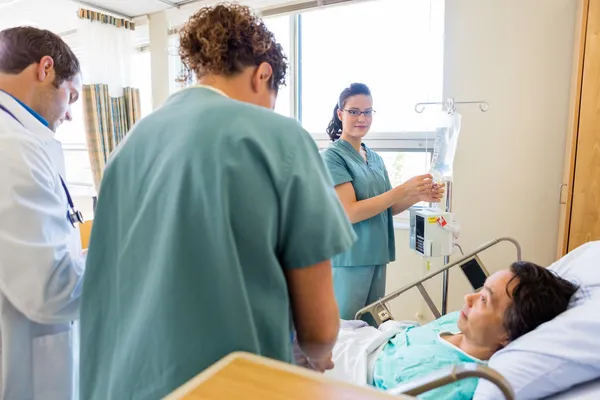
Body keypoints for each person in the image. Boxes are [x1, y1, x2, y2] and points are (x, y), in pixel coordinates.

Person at [79, 4, 356, 399]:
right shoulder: (279, 137)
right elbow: (320, 330)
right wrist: (317, 355)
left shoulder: (128, 146)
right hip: (224, 387)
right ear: (263, 75)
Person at [328, 261, 578, 400]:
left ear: (506, 335)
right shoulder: (457, 323)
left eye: (484, 300)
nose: (469, 297)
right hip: (361, 337)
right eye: (481, 289)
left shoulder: (454, 383)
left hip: (345, 370)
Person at [0, 27, 85, 399]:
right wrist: (126, 248)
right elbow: (52, 290)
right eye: (72, 96)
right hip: (22, 365)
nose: (68, 116)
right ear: (45, 68)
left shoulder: (20, 139)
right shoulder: (11, 146)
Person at [321, 82, 445, 325]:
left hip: (377, 254)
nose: (362, 118)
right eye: (354, 111)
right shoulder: (332, 158)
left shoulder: (374, 158)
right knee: (347, 332)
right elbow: (350, 212)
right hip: (350, 259)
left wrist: (418, 195)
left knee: (372, 329)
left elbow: (388, 209)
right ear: (340, 114)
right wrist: (402, 189)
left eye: (367, 112)